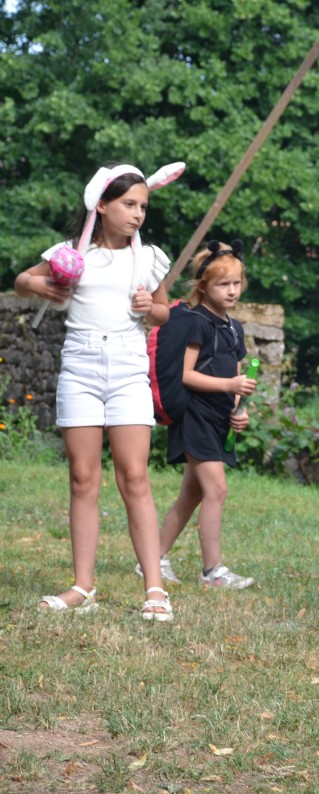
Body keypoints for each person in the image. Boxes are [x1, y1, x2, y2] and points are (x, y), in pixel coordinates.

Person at [16, 161, 186, 621]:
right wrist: (39, 284)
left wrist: (151, 307)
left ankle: (155, 589)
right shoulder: (73, 254)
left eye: (143, 206)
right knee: (83, 478)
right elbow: (22, 281)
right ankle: (82, 587)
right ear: (102, 205)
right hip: (81, 367)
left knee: (134, 477)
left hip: (128, 369)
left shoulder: (148, 258)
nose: (138, 214)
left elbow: (164, 313)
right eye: (129, 204)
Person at [146, 240, 258, 589]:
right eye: (223, 284)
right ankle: (212, 572)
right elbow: (187, 375)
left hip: (219, 419)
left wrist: (239, 410)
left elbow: (236, 379)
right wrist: (230, 385)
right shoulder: (197, 322)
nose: (232, 291)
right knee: (217, 490)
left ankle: (153, 559)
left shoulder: (234, 328)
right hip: (195, 417)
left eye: (236, 283)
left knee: (191, 495)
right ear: (204, 286)